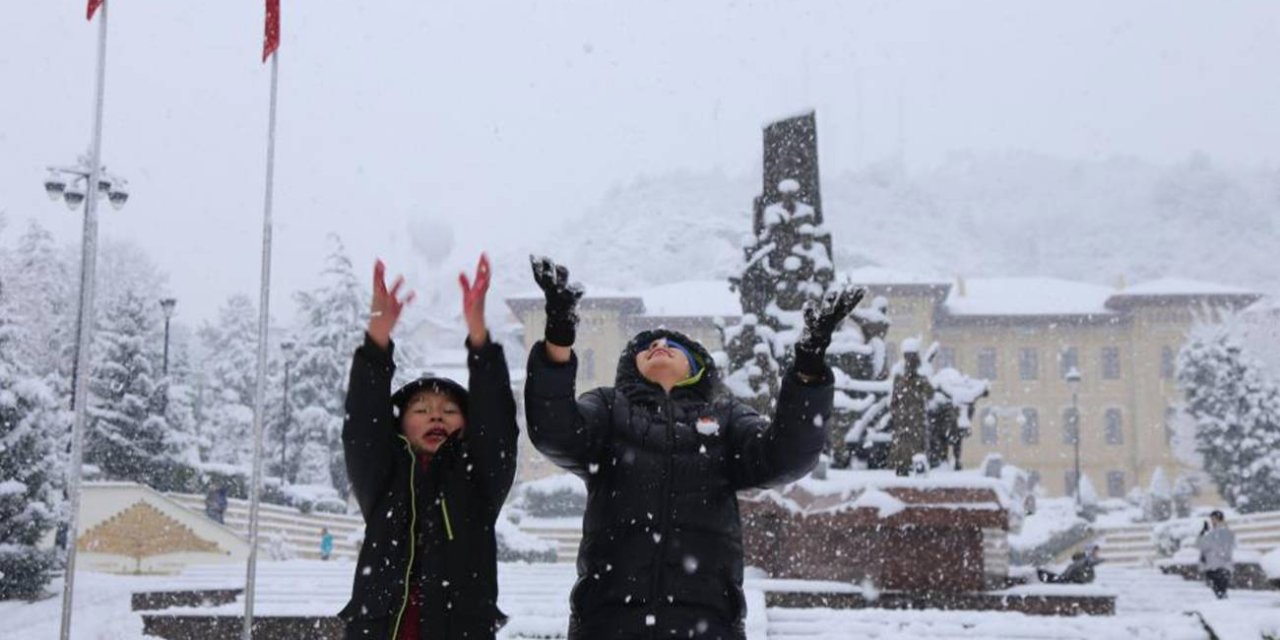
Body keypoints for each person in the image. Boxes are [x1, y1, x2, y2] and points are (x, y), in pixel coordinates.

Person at [523, 256, 863, 640]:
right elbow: (554, 432)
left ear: (698, 367)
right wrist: (558, 335)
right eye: (648, 344)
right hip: (609, 621)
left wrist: (809, 364)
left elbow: (786, 458)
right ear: (631, 365)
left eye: (673, 344)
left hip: (708, 624)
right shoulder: (608, 407)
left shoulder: (726, 416)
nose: (660, 344)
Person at [337, 256, 518, 640]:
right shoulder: (382, 477)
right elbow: (362, 425)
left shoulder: (479, 480)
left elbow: (498, 427)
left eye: (450, 410)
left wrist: (480, 339)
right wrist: (377, 337)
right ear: (399, 423)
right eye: (421, 409)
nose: (436, 416)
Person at [1197, 510, 1236, 599]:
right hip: (1211, 566)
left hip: (1222, 566)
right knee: (1217, 591)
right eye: (1211, 519)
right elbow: (1200, 546)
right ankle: (1222, 606)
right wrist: (1202, 533)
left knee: (1220, 591)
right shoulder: (1211, 532)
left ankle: (1224, 607)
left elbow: (1224, 548)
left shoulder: (1226, 532)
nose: (1212, 521)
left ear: (1219, 519)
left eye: (1213, 519)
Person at [1037, 544, 1102, 584]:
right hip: (1069, 581)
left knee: (1055, 578)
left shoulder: (1086, 563)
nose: (1096, 553)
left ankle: (1044, 575)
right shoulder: (1083, 562)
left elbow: (1088, 578)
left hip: (1070, 581)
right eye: (1095, 551)